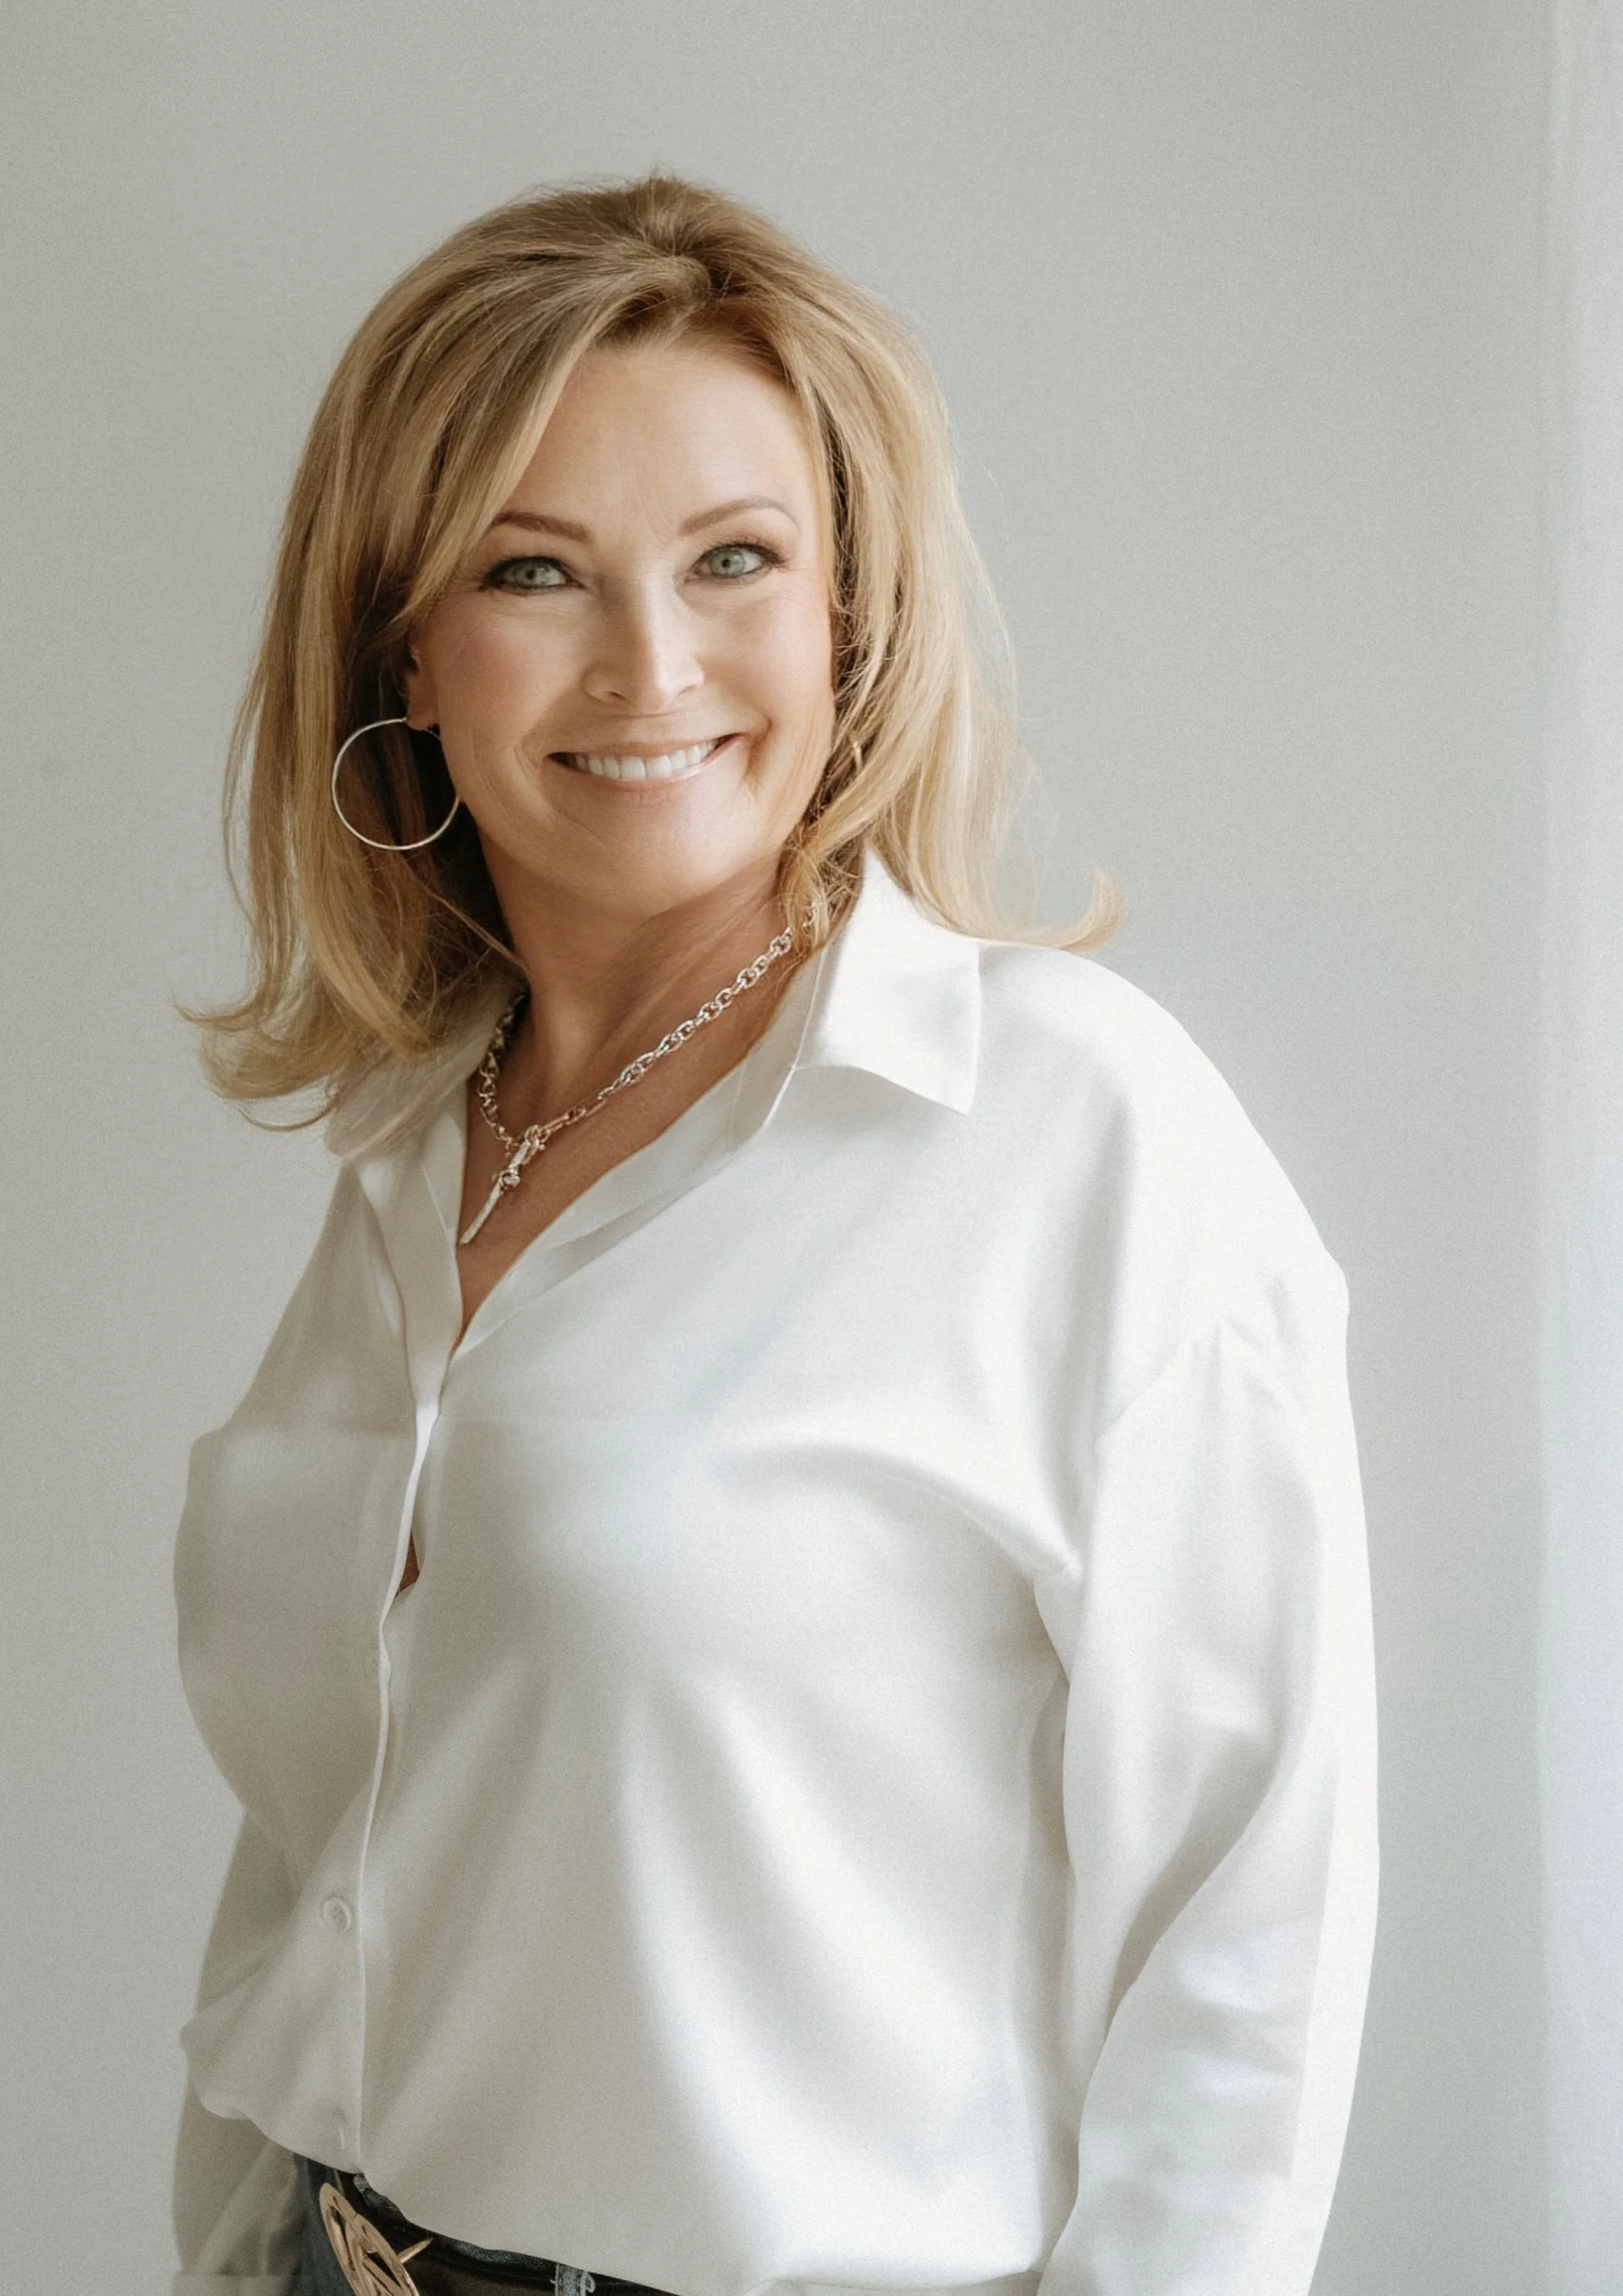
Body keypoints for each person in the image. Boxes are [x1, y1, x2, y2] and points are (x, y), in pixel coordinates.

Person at [168, 175, 1377, 2296]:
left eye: (735, 559)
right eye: (533, 569)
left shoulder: (1072, 1132)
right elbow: (324, 1855)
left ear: (850, 617)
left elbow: (1247, 1919)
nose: (650, 665)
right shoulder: (416, 1150)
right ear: (405, 649)